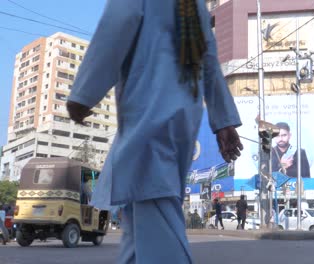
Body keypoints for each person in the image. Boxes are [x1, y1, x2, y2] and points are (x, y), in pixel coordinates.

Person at [66, 1, 243, 262]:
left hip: (150, 118)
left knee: (158, 224)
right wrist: (223, 121)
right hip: (181, 119)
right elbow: (209, 62)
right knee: (138, 230)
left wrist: (83, 94)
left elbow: (116, 26)